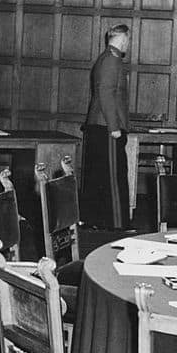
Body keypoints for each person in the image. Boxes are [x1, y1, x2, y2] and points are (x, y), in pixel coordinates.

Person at [80, 23, 131, 230]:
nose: (128, 43)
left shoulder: (106, 57)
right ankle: (117, 225)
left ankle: (98, 222)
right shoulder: (112, 59)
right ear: (123, 39)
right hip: (106, 127)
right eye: (128, 39)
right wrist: (114, 127)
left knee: (101, 177)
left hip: (100, 126)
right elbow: (106, 94)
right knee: (113, 178)